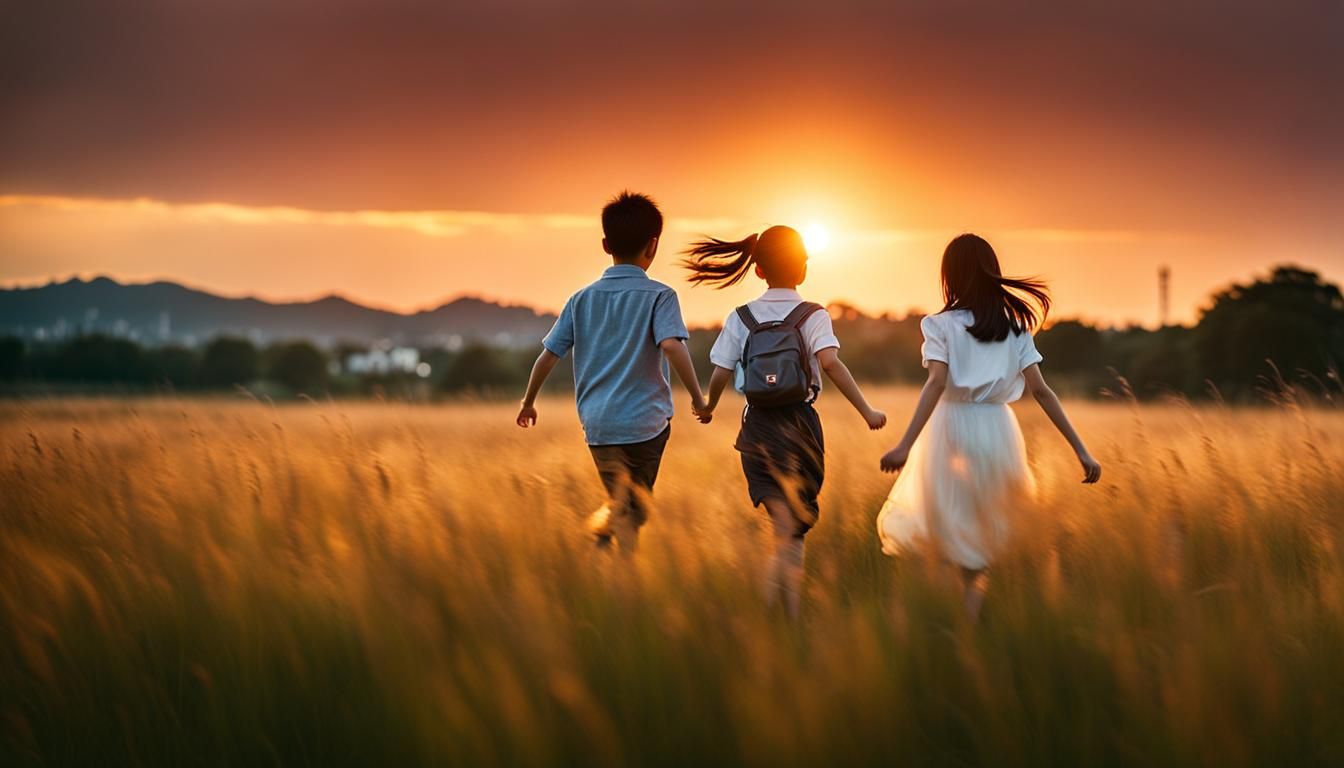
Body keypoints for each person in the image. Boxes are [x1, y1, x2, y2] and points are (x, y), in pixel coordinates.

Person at [877, 233, 1101, 621]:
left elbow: (936, 383)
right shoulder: (1015, 328)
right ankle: (970, 621)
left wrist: (905, 445)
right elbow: (1042, 391)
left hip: (950, 428)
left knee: (943, 530)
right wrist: (1082, 451)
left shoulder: (939, 325)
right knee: (982, 536)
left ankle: (944, 624)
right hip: (998, 431)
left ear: (949, 275)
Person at [689, 225, 886, 620]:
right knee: (793, 527)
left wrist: (708, 406)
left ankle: (779, 618)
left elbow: (721, 370)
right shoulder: (813, 315)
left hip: (757, 428)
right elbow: (830, 364)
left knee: (785, 526)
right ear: (804, 267)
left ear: (758, 270)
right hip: (800, 428)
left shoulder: (741, 317)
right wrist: (867, 412)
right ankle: (781, 618)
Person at [516, 191, 709, 553]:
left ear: (606, 245)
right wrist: (699, 400)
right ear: (653, 245)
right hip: (647, 423)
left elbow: (548, 356)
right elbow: (672, 346)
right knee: (636, 508)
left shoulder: (580, 299)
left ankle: (608, 544)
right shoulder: (660, 296)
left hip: (599, 424)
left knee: (623, 501)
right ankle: (610, 551)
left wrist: (528, 402)